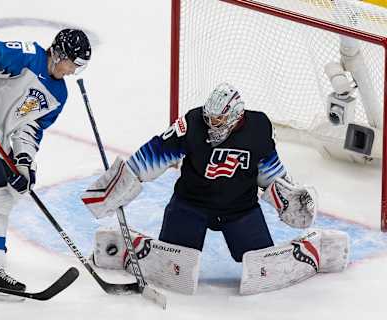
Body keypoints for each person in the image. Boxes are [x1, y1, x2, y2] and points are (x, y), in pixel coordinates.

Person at [82, 82, 349, 295]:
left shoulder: (258, 127)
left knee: (263, 264)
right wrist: (123, 181)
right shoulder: (192, 123)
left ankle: (314, 253)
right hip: (190, 205)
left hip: (240, 209)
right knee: (173, 263)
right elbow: (155, 153)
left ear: (236, 116)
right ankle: (134, 247)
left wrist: (287, 197)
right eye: (209, 118)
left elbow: (270, 171)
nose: (212, 125)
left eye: (219, 121)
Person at [0, 29, 91, 295]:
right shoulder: (27, 56)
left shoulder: (58, 94)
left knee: (15, 190)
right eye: (73, 64)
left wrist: (24, 162)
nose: (73, 71)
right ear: (59, 54)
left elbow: (30, 129)